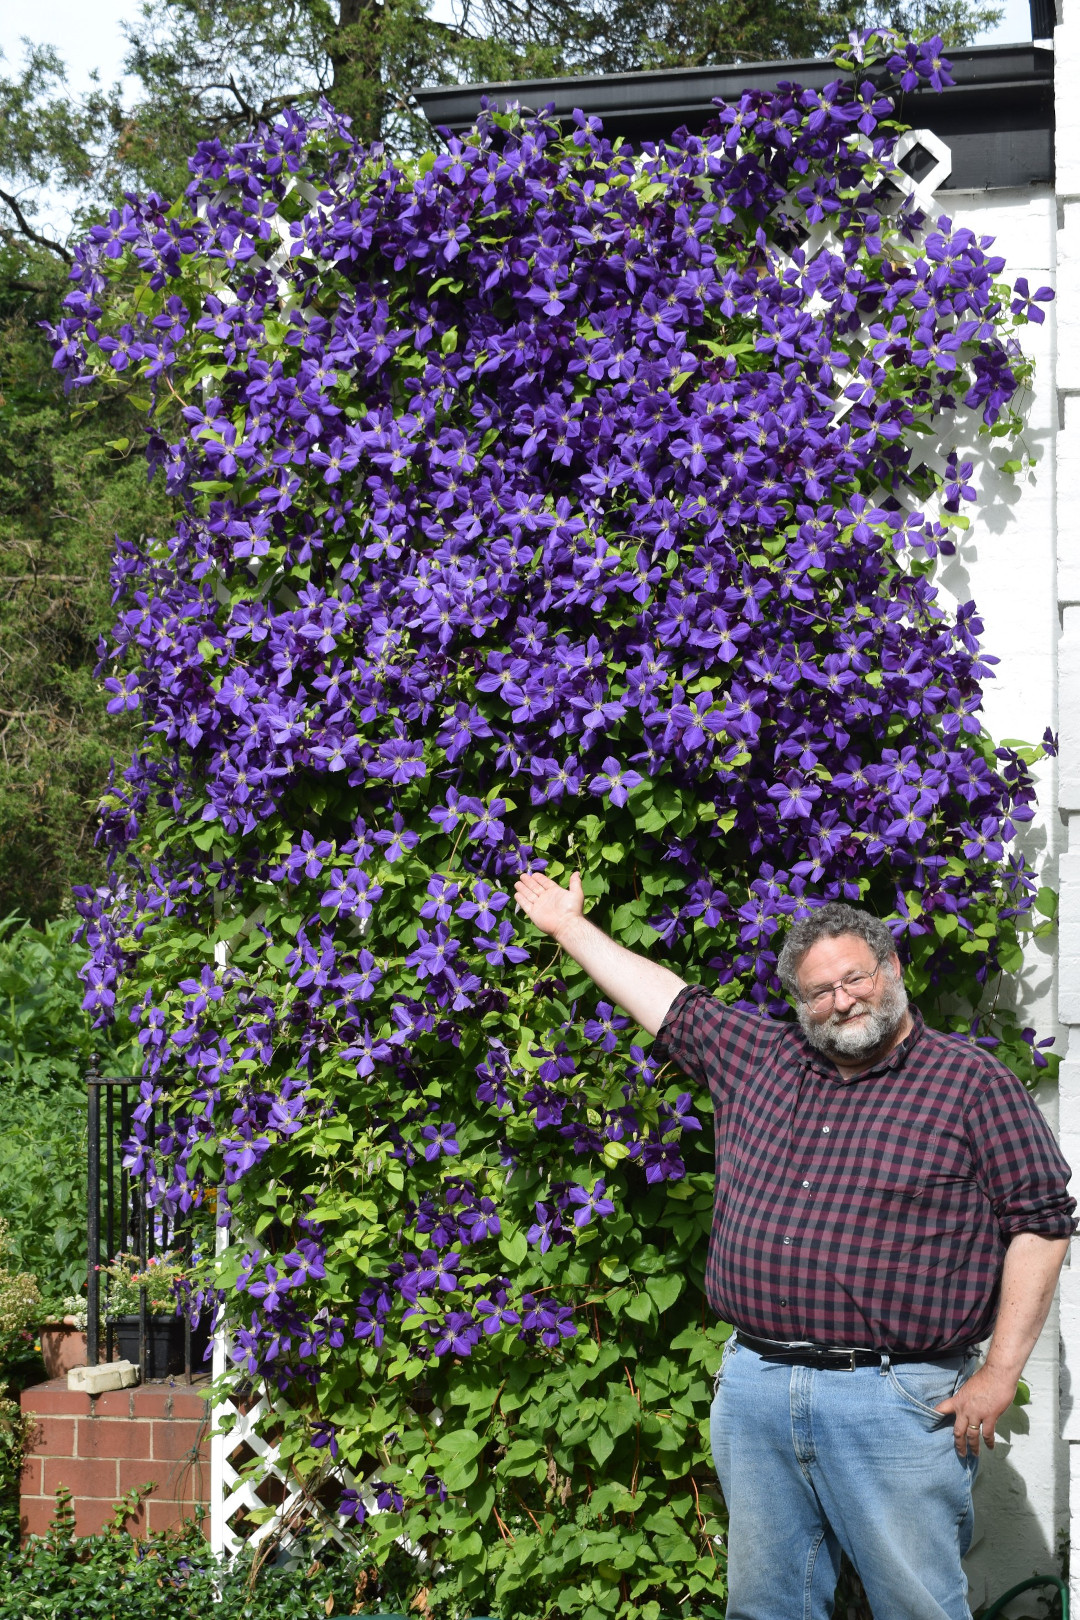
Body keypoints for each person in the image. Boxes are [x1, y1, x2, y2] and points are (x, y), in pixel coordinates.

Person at [512, 873, 1076, 1620]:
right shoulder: (759, 1058)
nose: (841, 1001)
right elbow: (665, 999)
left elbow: (1040, 1221)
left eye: (854, 978)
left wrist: (1002, 1372)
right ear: (798, 1003)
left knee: (916, 1606)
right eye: (819, 991)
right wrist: (568, 928)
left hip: (895, 1398)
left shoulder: (970, 1084)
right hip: (756, 1390)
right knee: (766, 1606)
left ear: (892, 969)